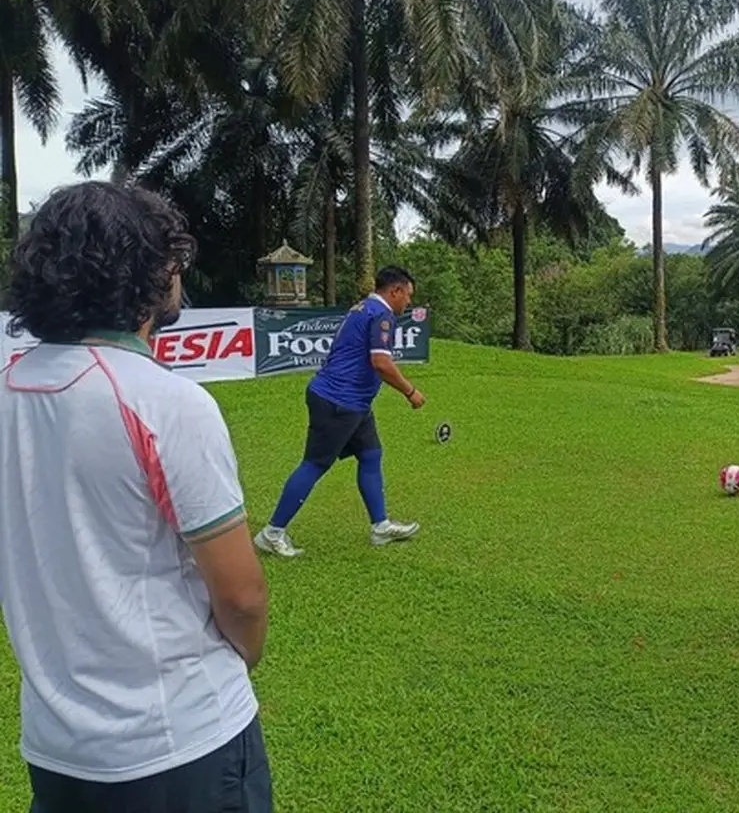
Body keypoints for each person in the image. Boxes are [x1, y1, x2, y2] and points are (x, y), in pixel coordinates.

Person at [0, 182, 272, 811]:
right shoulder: (164, 401)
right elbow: (242, 596)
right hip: (182, 740)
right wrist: (240, 663)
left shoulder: (9, 391)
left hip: (57, 747)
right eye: (170, 259)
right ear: (143, 273)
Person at [255, 266, 424, 557]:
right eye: (407, 296)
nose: (407, 302)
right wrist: (411, 391)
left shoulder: (363, 307)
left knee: (371, 455)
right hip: (339, 401)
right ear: (395, 291)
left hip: (353, 402)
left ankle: (380, 526)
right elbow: (381, 363)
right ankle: (271, 533)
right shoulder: (381, 315)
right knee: (314, 464)